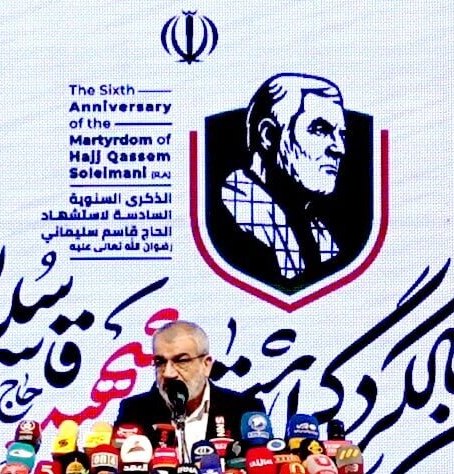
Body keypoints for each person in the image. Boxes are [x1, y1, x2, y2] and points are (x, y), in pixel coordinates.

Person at [219, 74, 348, 289]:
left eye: (341, 134)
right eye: (320, 130)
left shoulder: (317, 231)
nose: (339, 149)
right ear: (269, 135)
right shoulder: (232, 220)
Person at [115, 320, 265, 445]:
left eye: (181, 361)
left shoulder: (244, 410)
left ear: (206, 365)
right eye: (160, 362)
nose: (168, 373)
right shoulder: (134, 412)